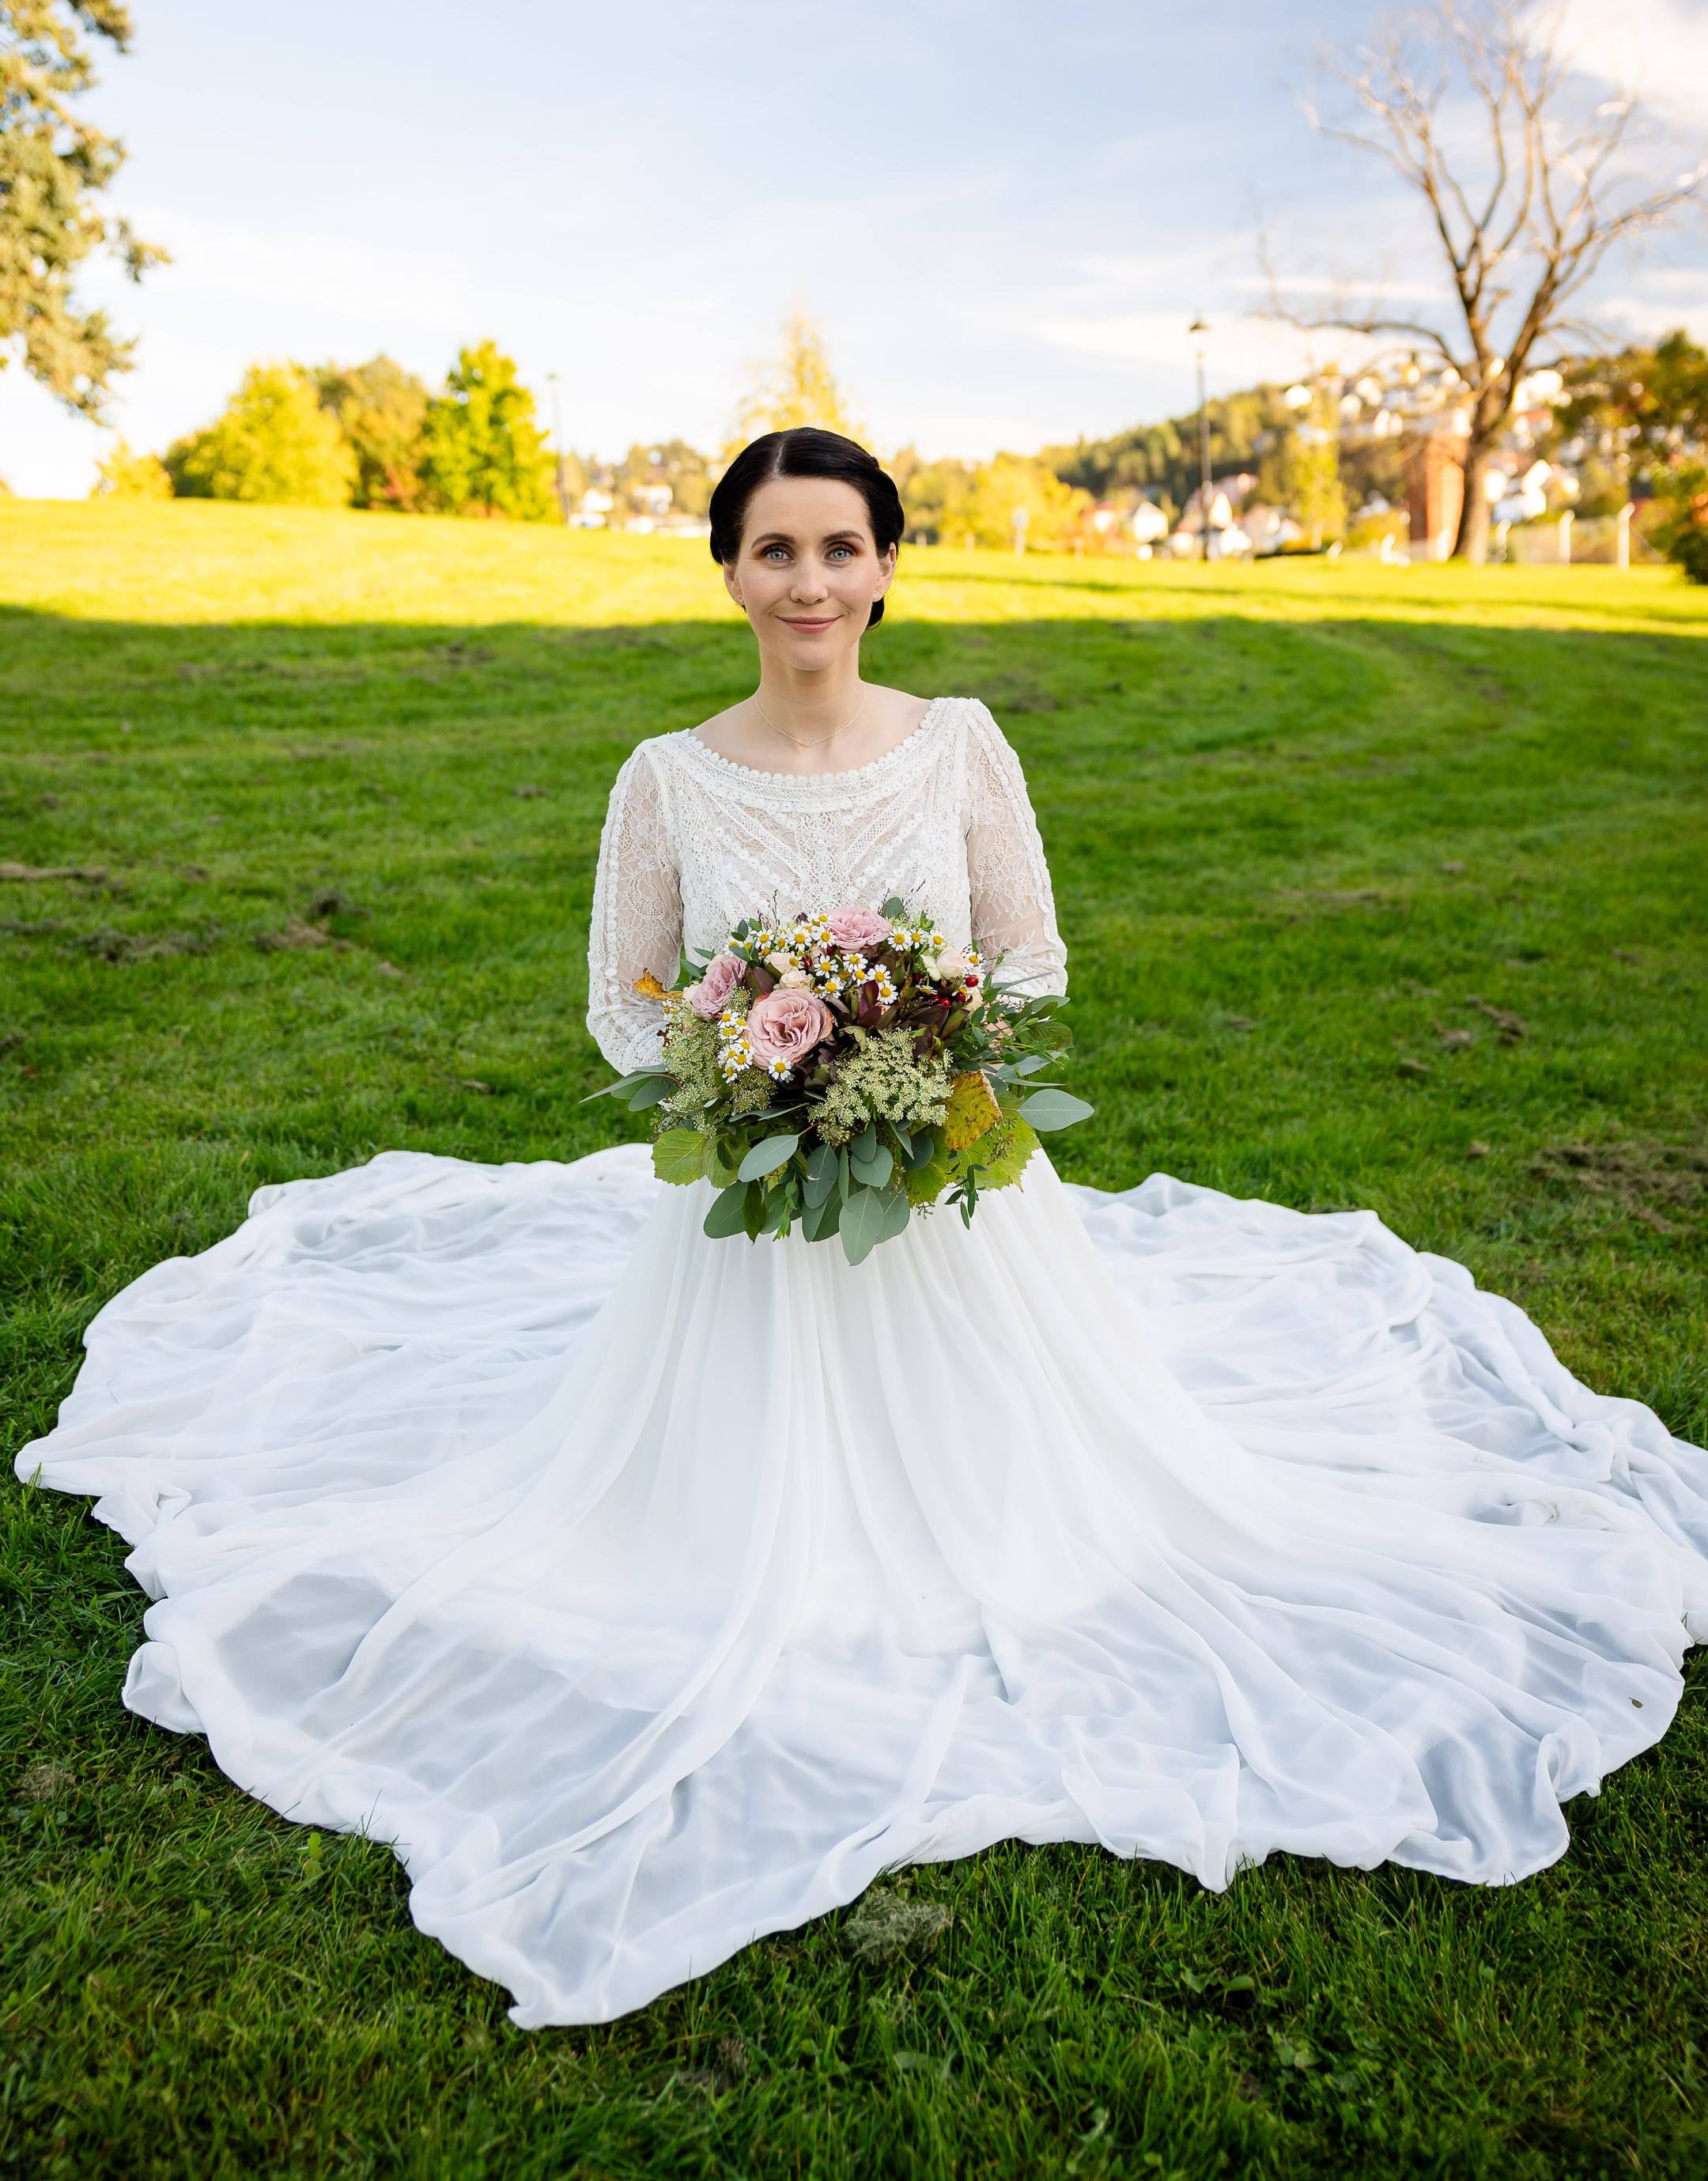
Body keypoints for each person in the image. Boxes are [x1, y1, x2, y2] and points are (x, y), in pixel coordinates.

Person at [17, 427, 1708, 2032]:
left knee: (1072, 1505)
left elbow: (1029, 959)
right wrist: (747, 1082)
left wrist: (922, 1066)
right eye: (774, 551)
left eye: (840, 547)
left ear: (888, 566)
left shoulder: (959, 740)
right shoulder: (666, 778)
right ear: (728, 575)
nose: (808, 581)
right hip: (755, 1204)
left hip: (952, 1187)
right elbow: (624, 997)